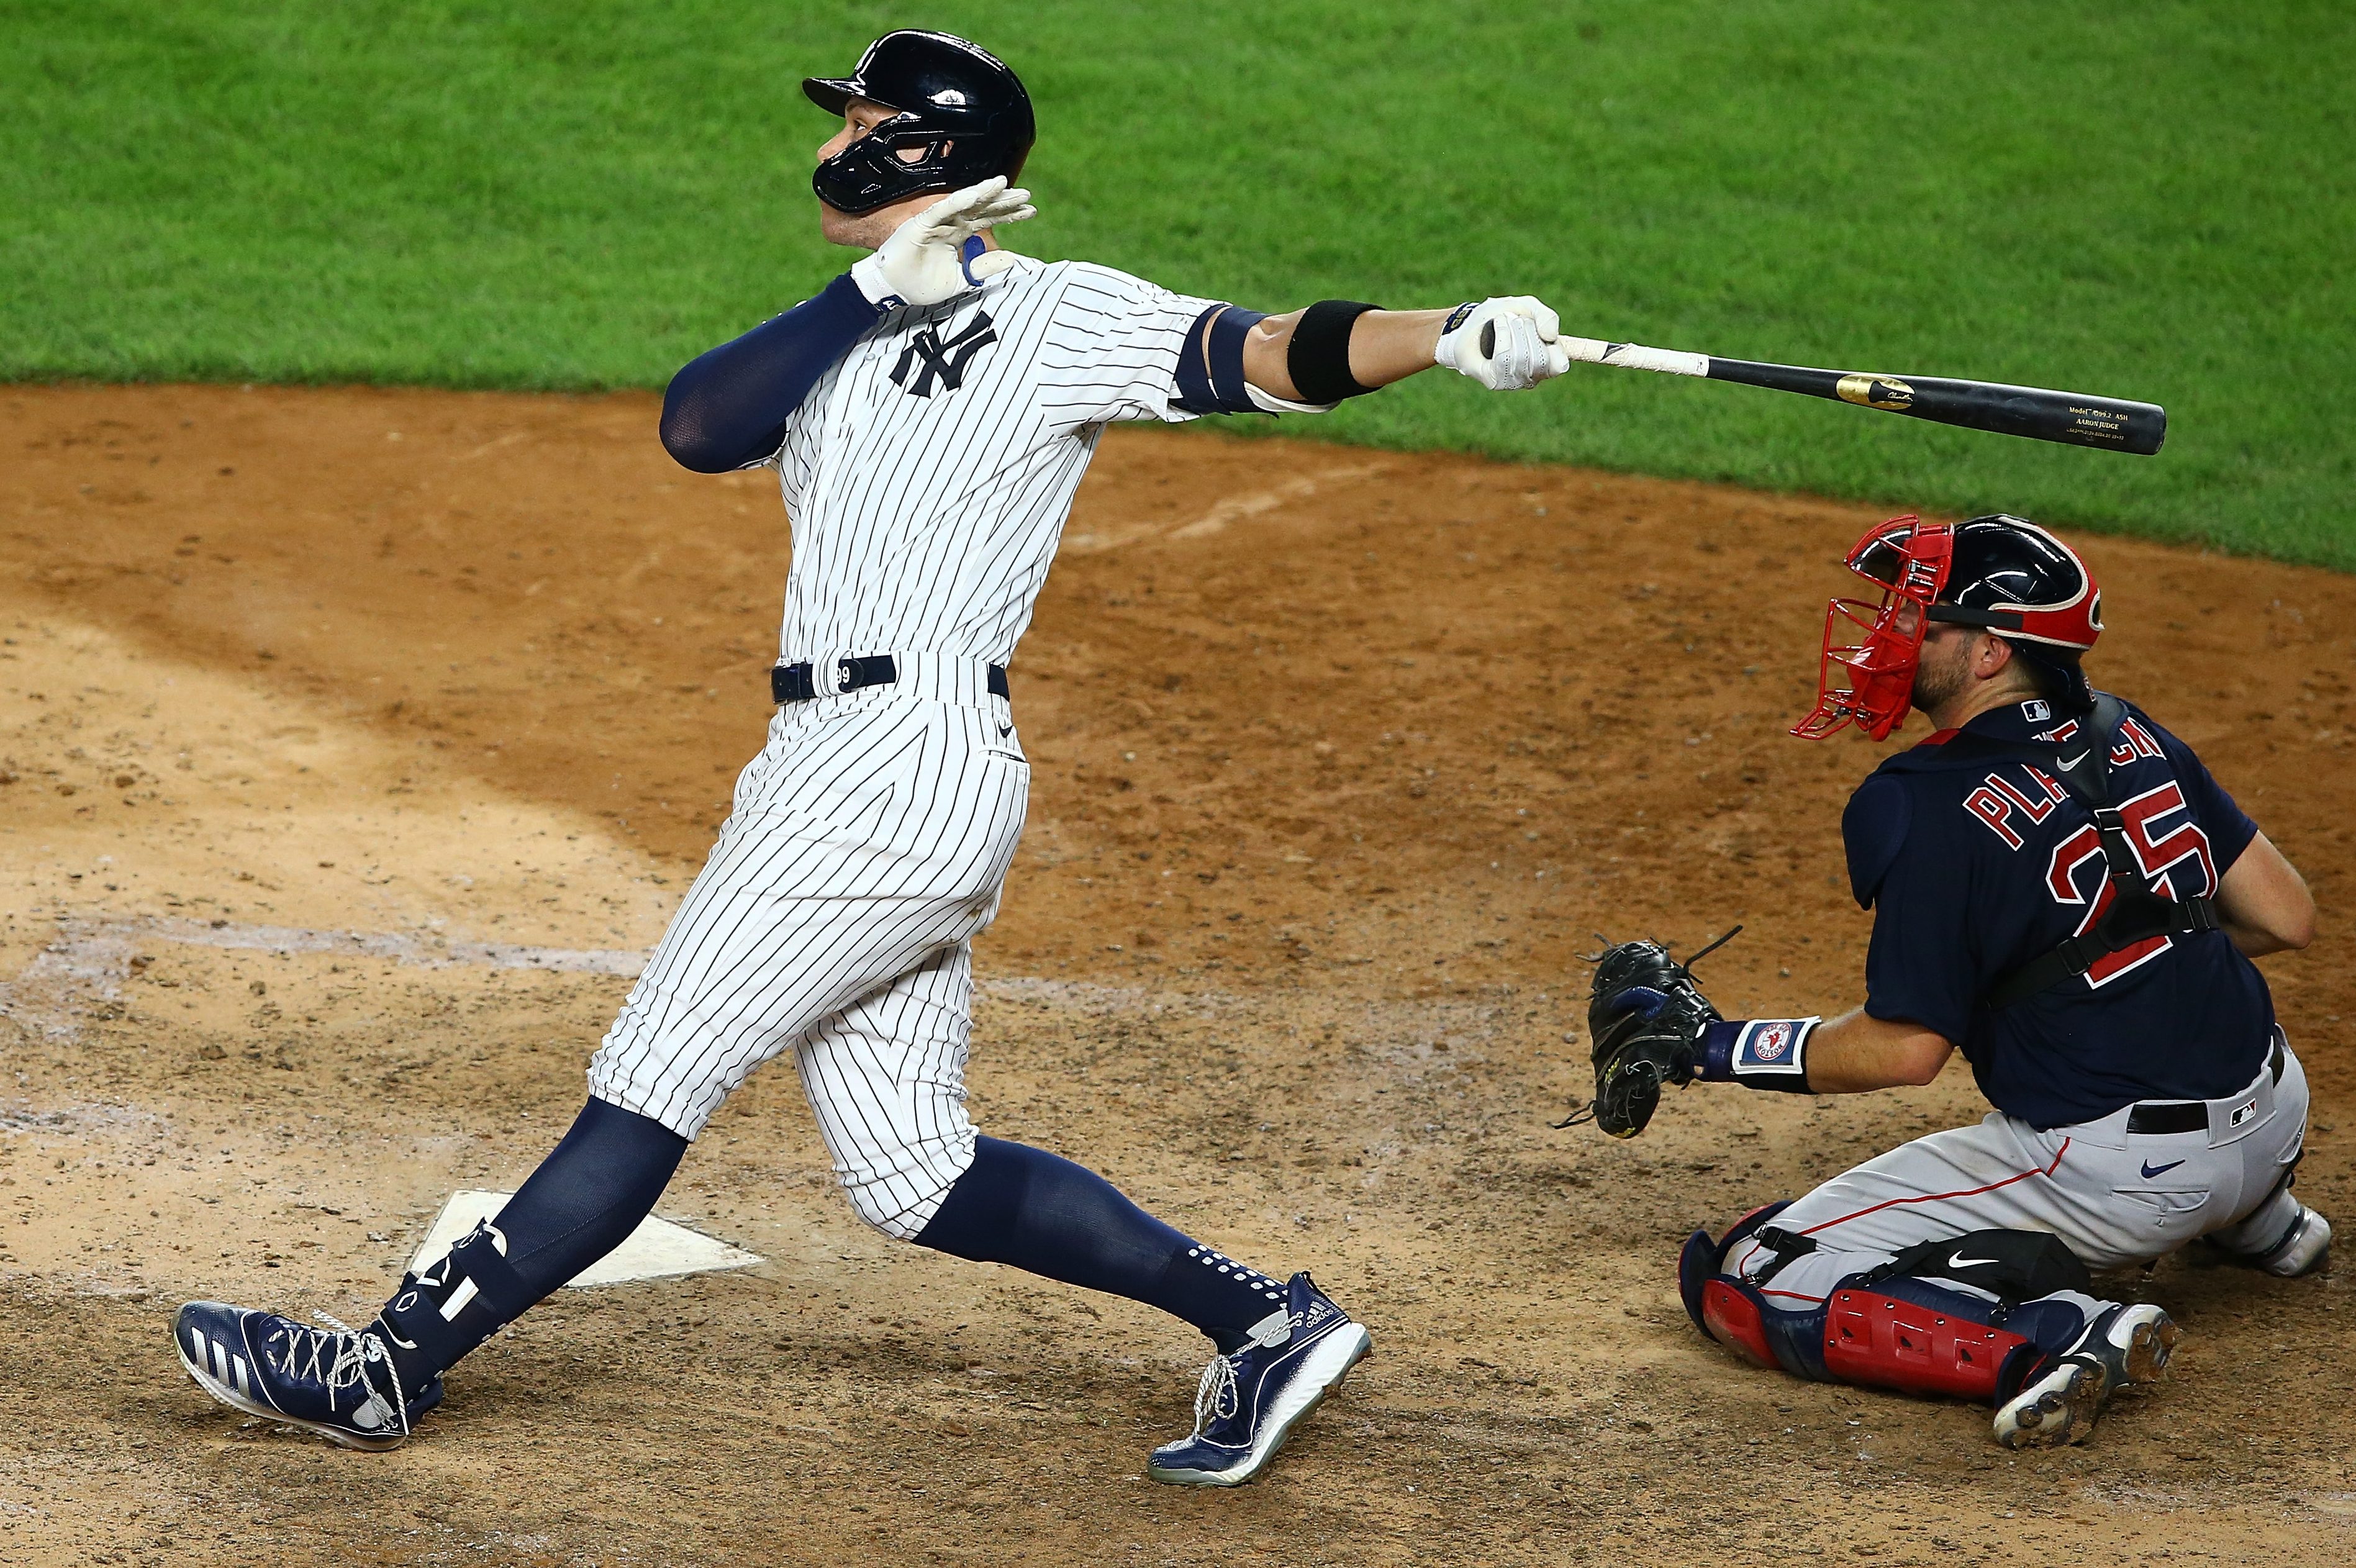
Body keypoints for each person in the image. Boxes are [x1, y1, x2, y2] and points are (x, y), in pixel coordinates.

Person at [173, 28, 1575, 1486]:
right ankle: (1264, 1320)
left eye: (862, 118)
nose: (832, 140)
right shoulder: (847, 317)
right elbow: (696, 425)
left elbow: (1265, 352)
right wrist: (866, 290)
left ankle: (389, 1368)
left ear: (928, 148)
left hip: (896, 769)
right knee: (917, 1174)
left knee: (655, 1070)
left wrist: (1447, 330)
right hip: (833, 760)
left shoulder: (1058, 316)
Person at [1581, 512, 2325, 1448]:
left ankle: (2060, 1333)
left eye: (1918, 618)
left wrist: (1710, 1046)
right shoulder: (2126, 728)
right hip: (2275, 1113)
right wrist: (2110, 959)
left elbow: (1904, 1048)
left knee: (1757, 1272)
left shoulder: (1920, 800)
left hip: (2122, 1181)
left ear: (1987, 653)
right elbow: (2284, 915)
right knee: (2158, 1042)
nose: (1889, 634)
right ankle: (2264, 1224)